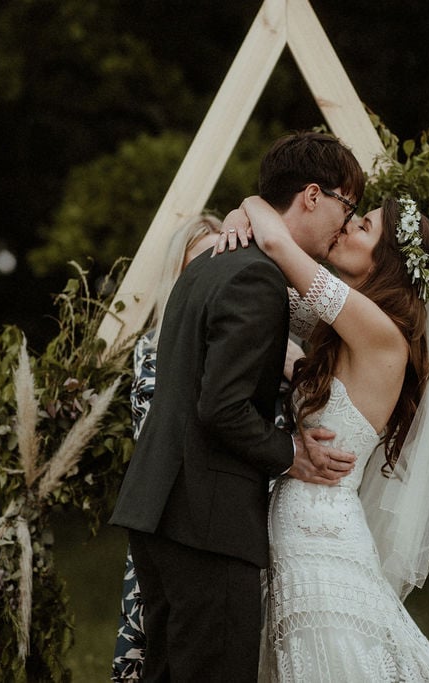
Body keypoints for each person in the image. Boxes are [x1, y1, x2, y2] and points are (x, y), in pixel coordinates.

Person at [109, 131, 366, 682]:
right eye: (347, 205)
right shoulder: (256, 277)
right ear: (313, 195)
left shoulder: (209, 266)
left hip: (158, 509)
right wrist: (290, 453)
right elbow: (220, 408)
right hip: (207, 520)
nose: (346, 223)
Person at [219, 194, 429, 681]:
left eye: (362, 227)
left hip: (321, 540)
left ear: (386, 259)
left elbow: (273, 241)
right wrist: (231, 222)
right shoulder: (347, 328)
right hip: (299, 531)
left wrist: (248, 202)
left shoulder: (380, 331)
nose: (345, 229)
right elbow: (269, 306)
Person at [111, 214, 306, 682]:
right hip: (194, 514)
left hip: (216, 515)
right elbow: (215, 414)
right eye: (200, 264)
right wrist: (292, 453)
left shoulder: (263, 338)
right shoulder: (156, 350)